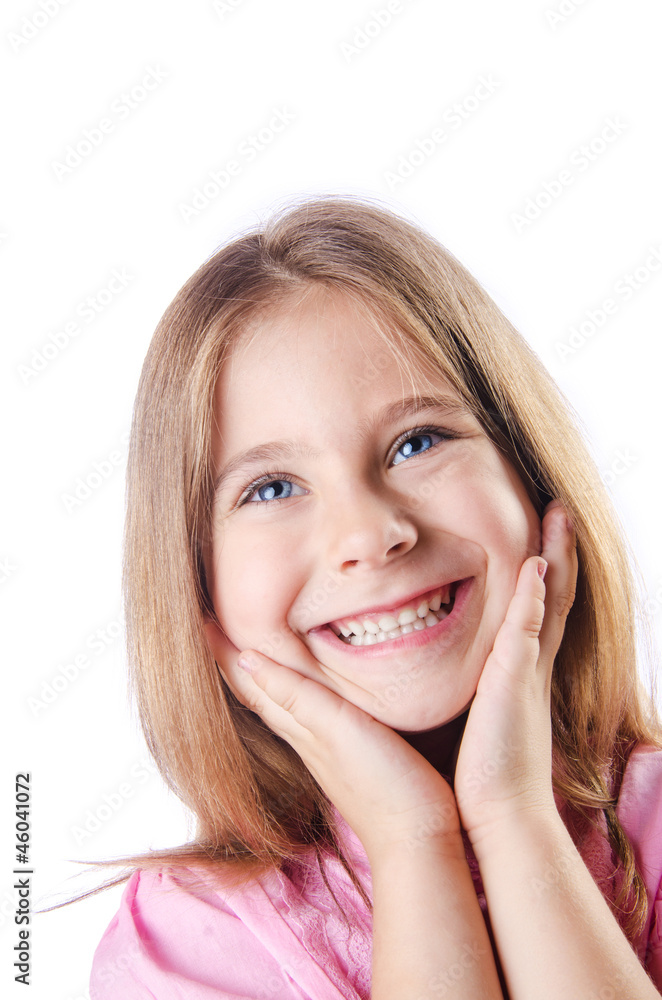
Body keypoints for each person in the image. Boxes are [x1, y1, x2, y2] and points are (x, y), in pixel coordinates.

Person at [89, 195, 662, 999]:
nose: (368, 535)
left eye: (417, 442)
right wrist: (411, 841)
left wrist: (514, 817)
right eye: (273, 486)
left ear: (531, 478)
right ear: (198, 589)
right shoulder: (190, 944)